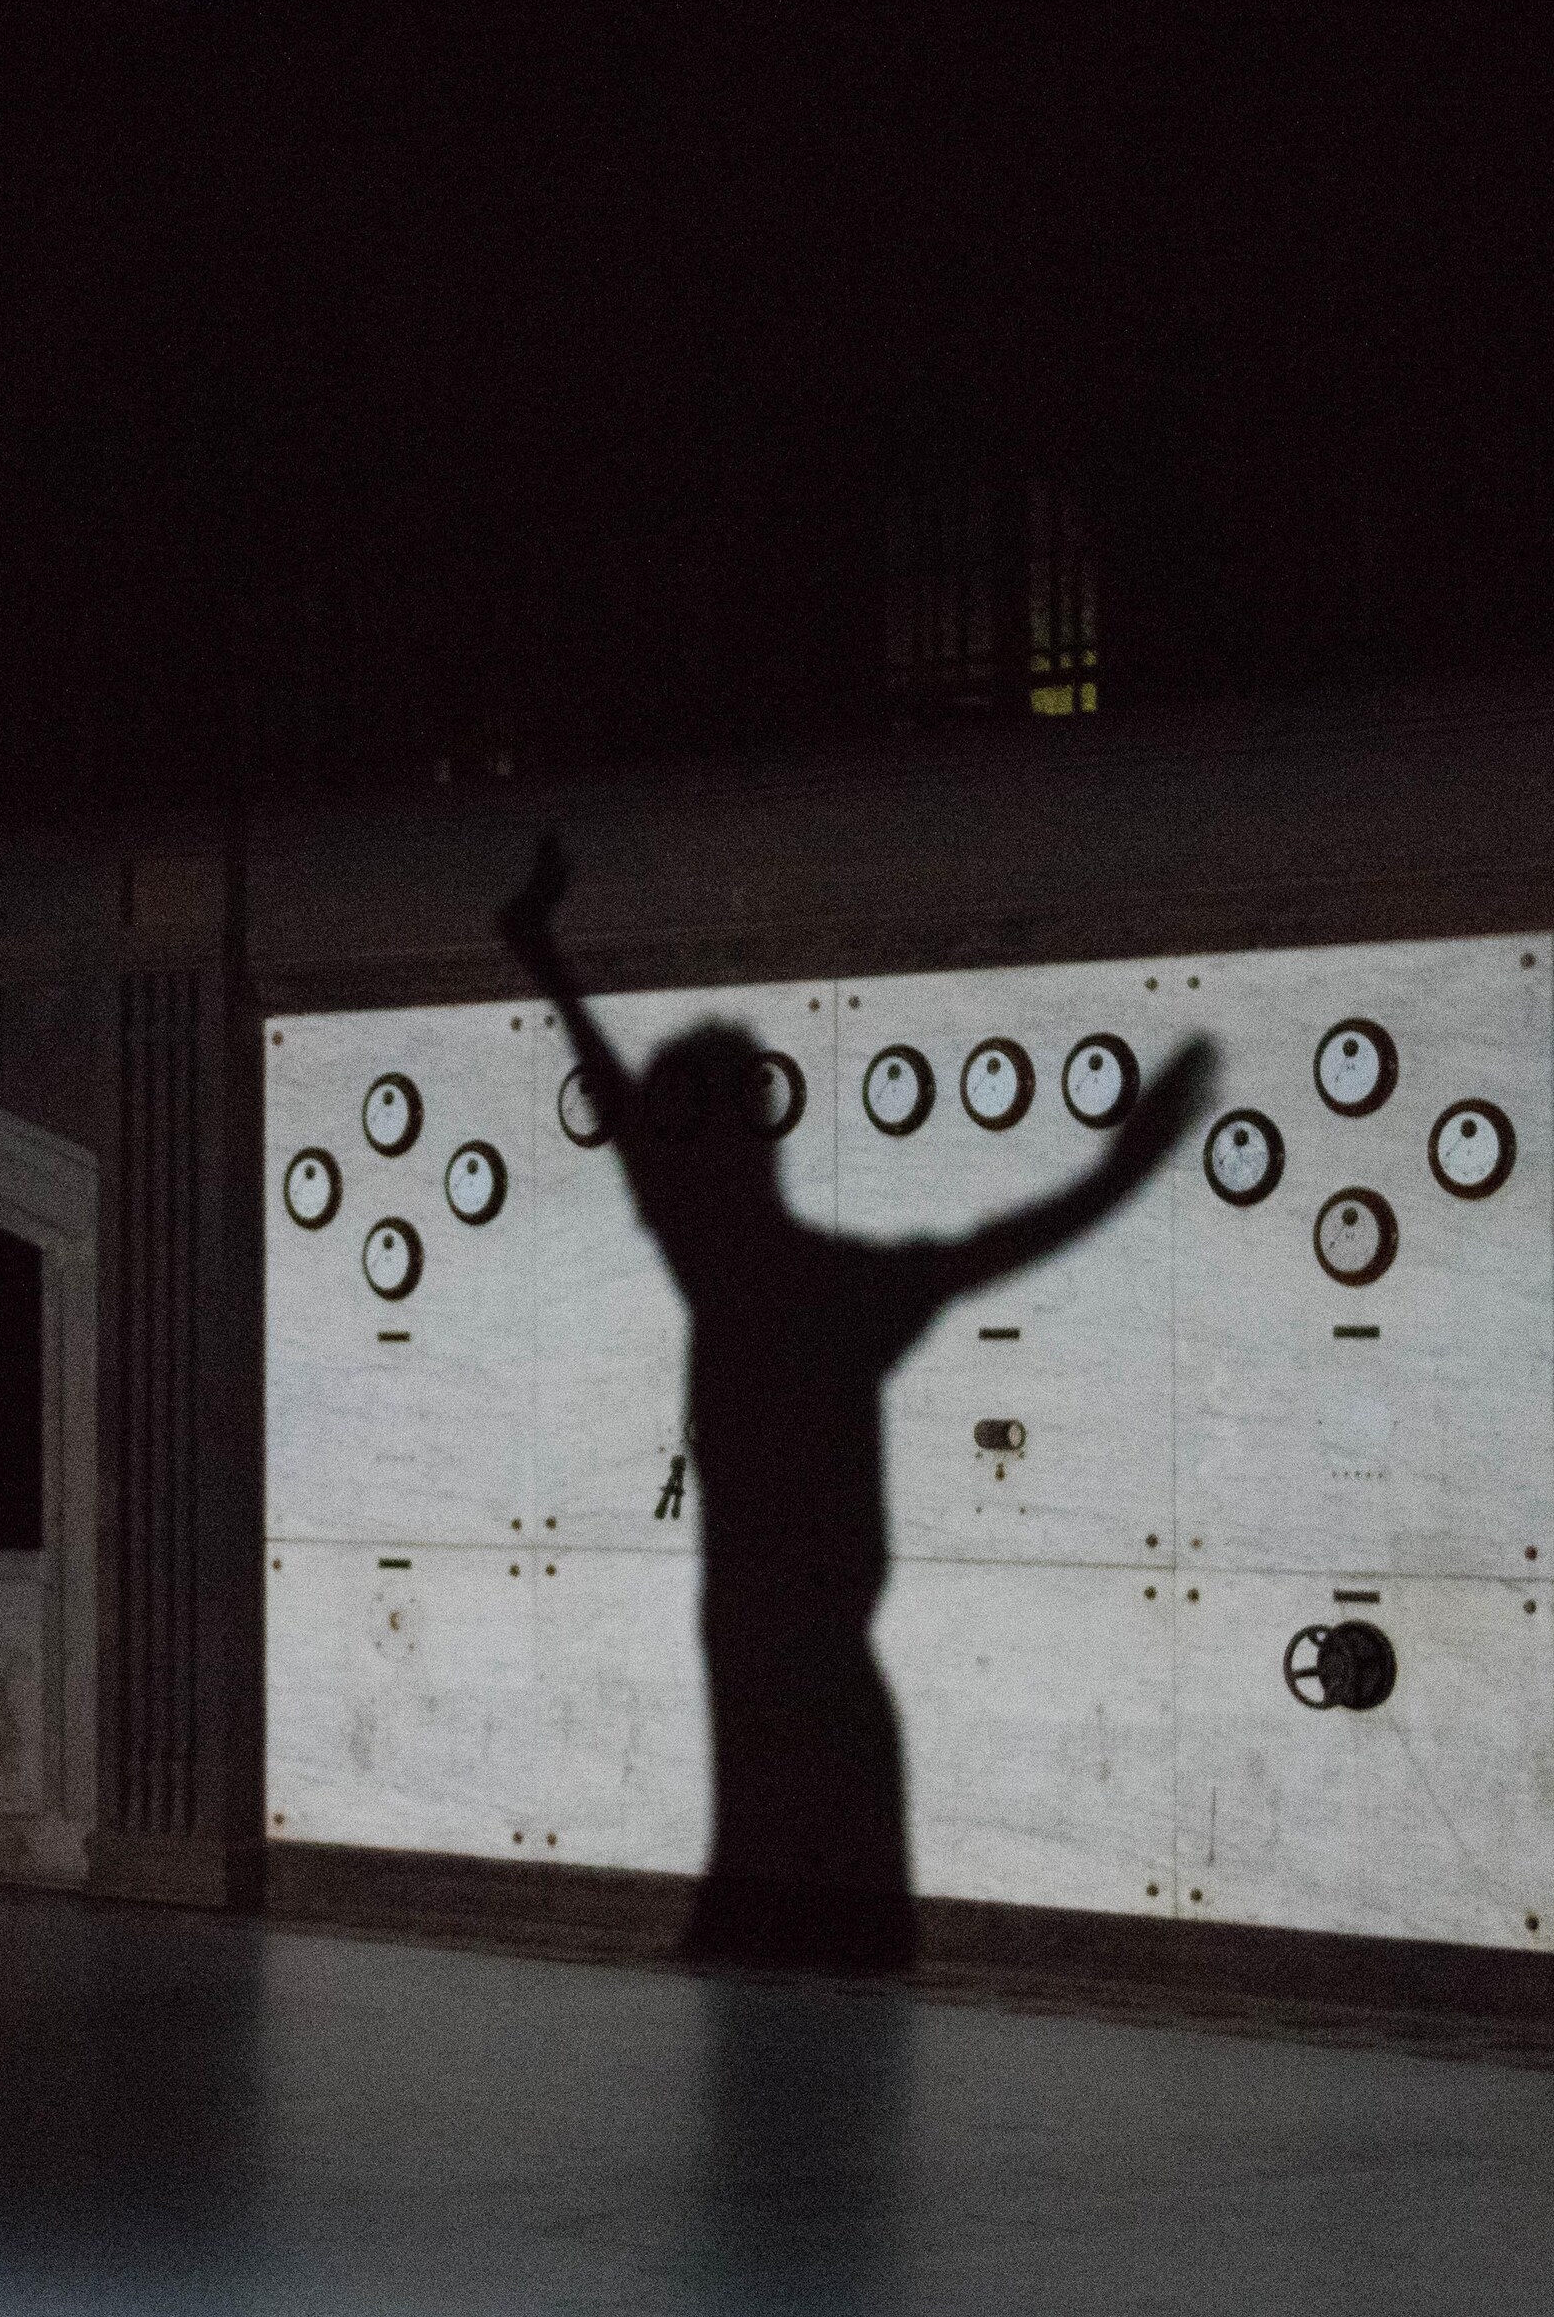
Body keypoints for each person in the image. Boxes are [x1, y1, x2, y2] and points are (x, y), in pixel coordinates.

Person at [498, 832, 1210, 1963]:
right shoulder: (829, 1285)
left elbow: (622, 1109)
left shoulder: (719, 1266)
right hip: (818, 1668)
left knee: (769, 1928)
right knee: (831, 1939)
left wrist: (539, 950)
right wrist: (1127, 1165)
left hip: (760, 1652)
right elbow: (1001, 1244)